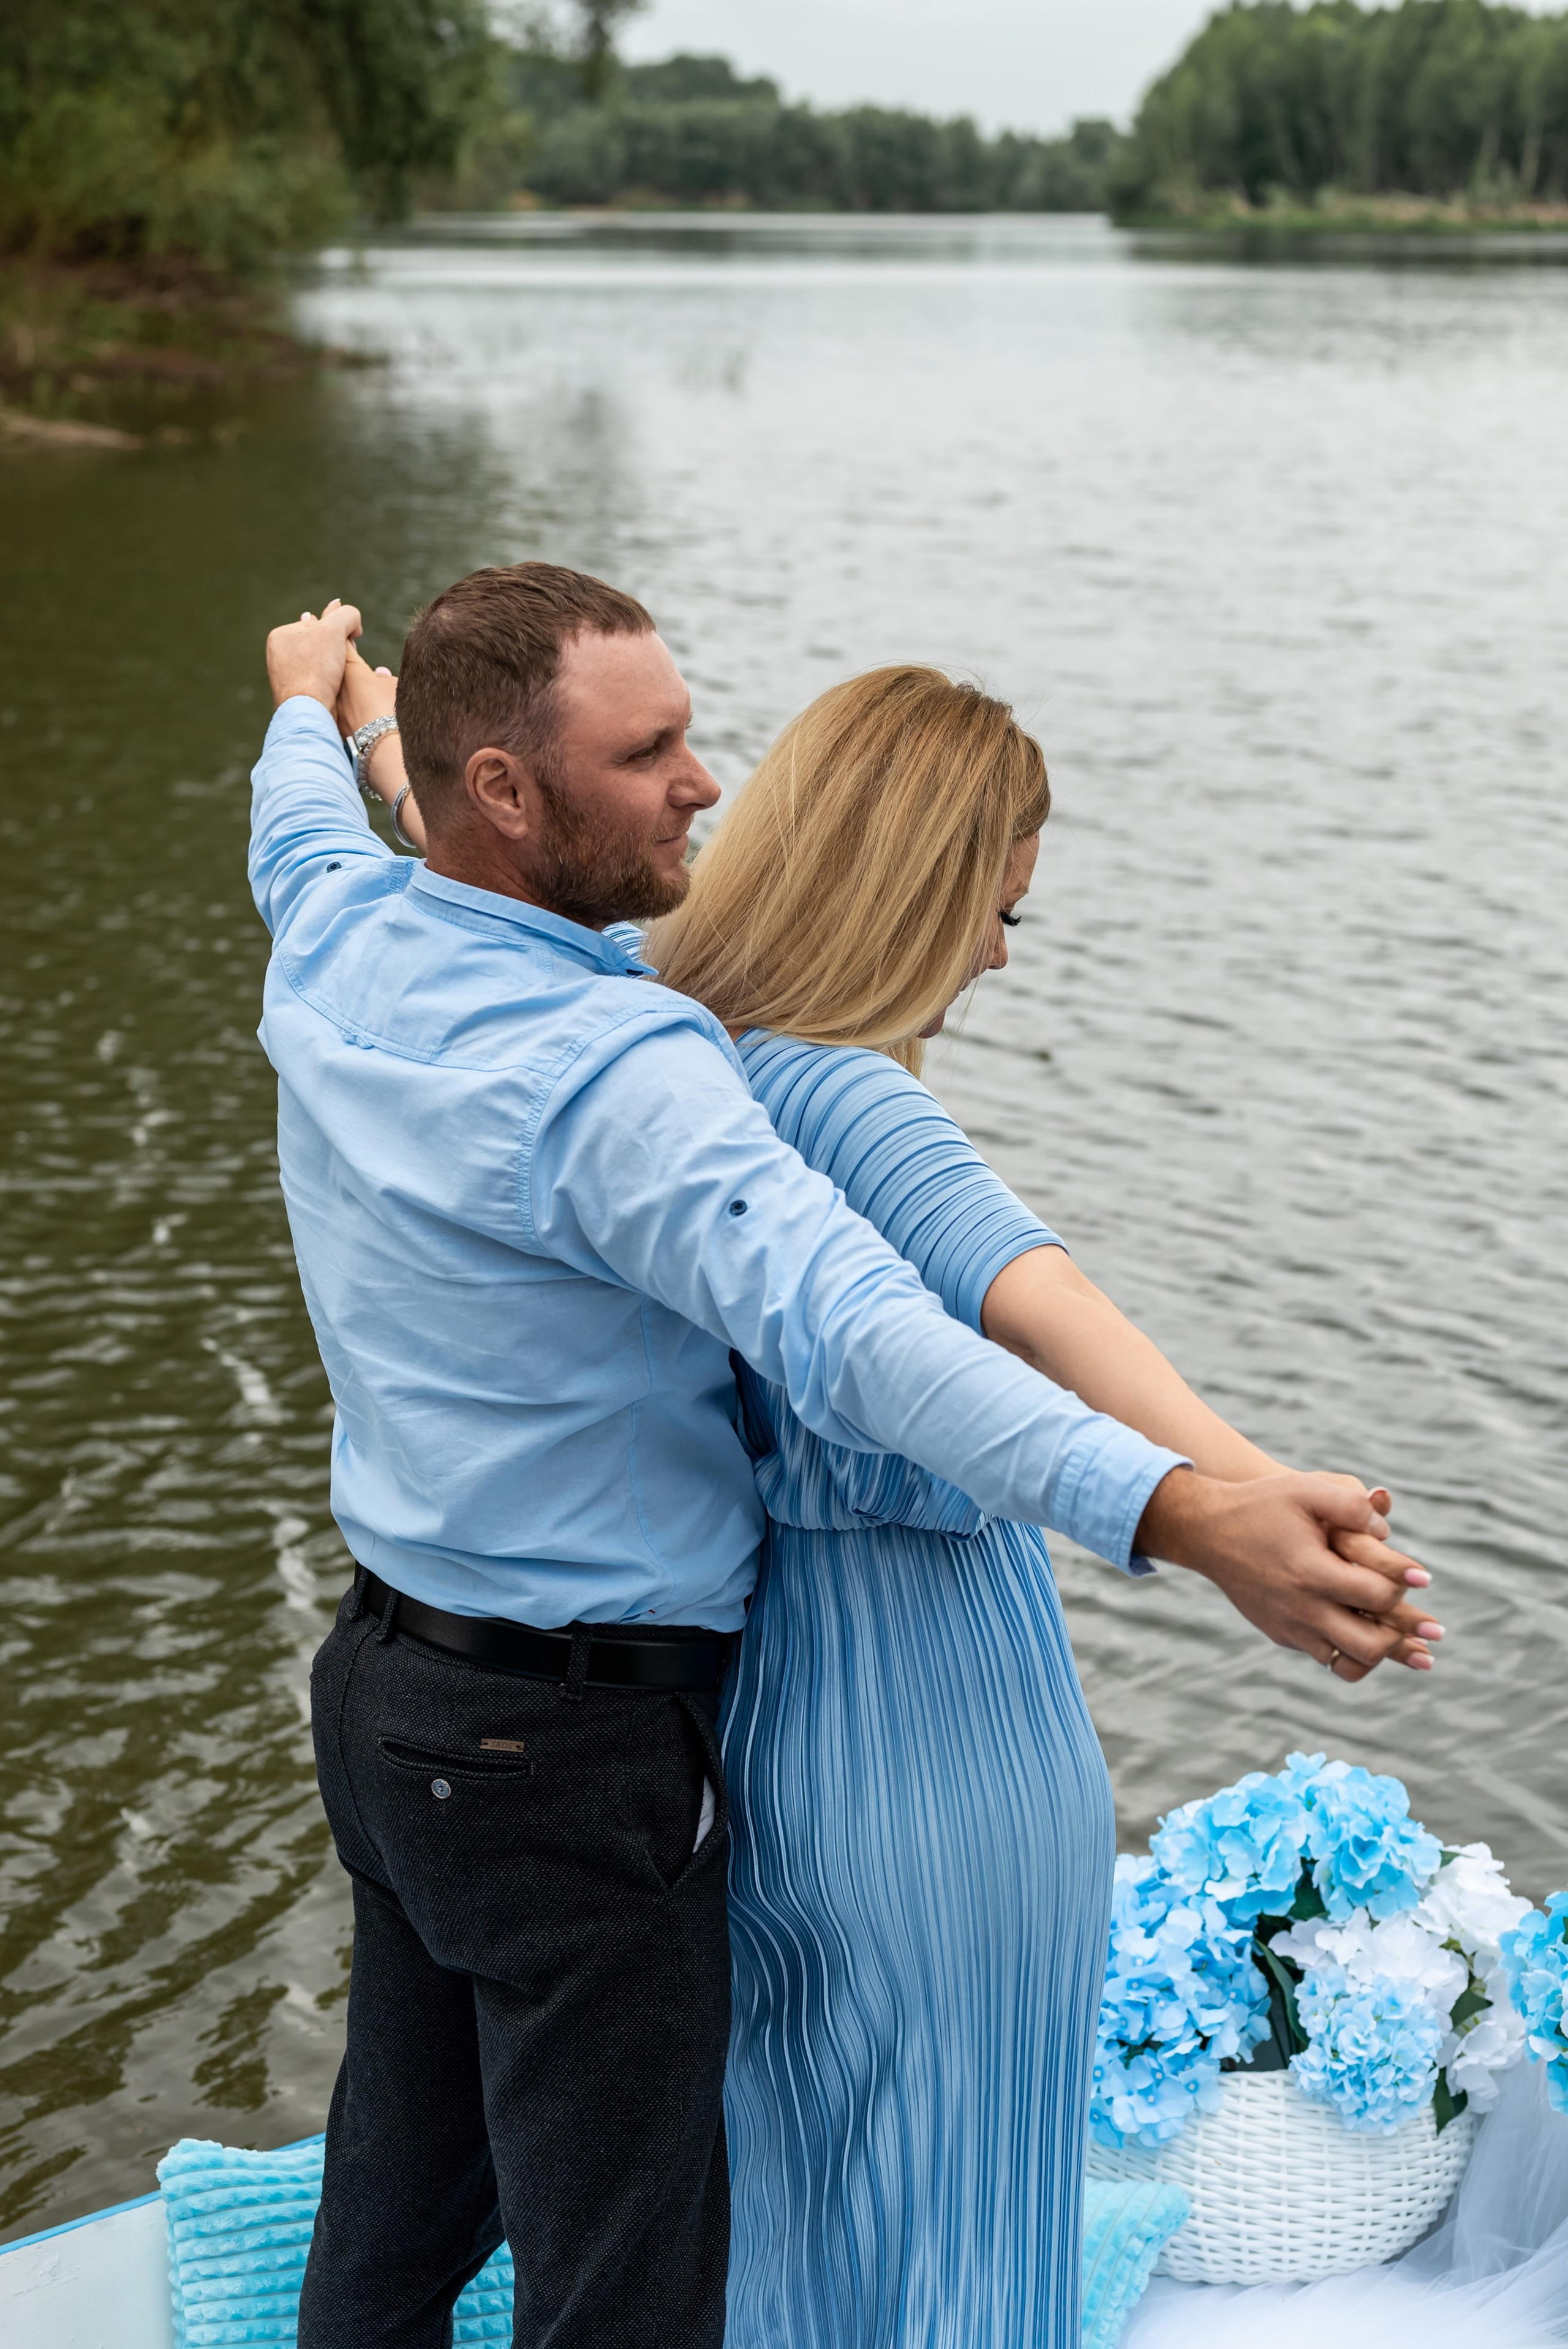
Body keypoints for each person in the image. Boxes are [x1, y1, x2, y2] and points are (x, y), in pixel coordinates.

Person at [255, 567, 1434, 2349]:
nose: (703, 781)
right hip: (639, 1747)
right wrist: (1195, 1505)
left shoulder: (345, 926)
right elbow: (901, 1329)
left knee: (407, 2217)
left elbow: (349, 819)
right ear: (511, 791)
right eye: (652, 748)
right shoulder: (637, 1068)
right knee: (642, 2276)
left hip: (397, 1697)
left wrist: (319, 704)